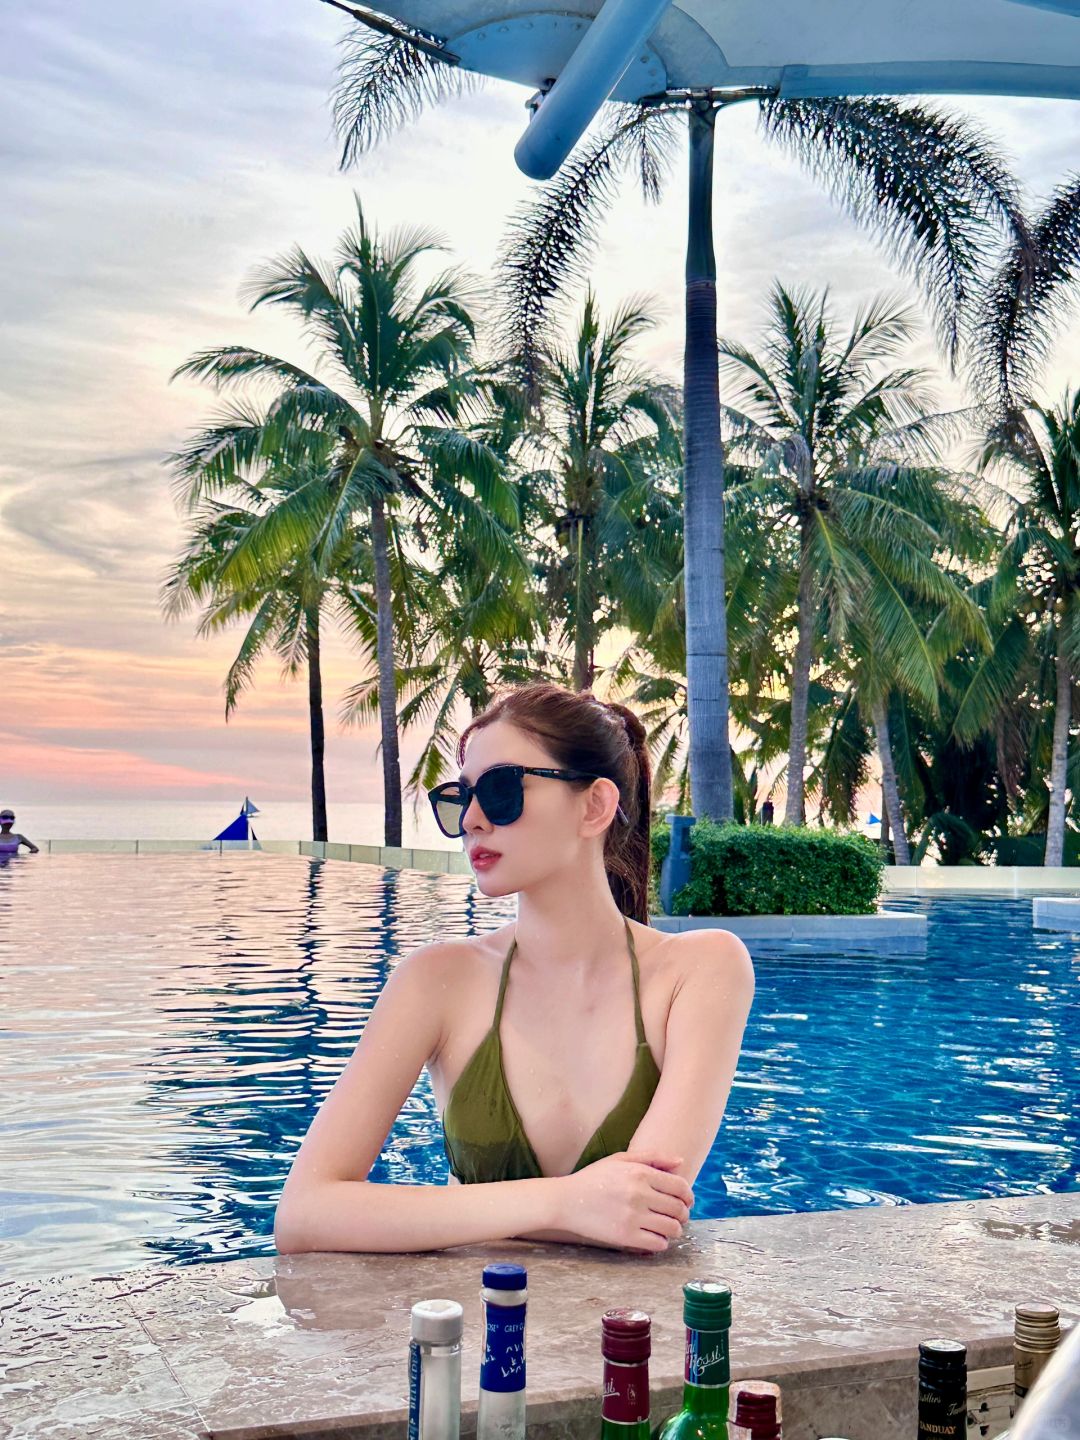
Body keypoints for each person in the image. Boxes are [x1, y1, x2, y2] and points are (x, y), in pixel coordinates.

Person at [275, 682, 754, 1256]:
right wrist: (562, 1202)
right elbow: (304, 1213)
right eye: (461, 796)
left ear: (595, 805)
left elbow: (644, 1209)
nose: (473, 818)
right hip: (472, 1329)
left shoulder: (700, 968)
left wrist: (437, 1212)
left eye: (501, 790)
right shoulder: (437, 981)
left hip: (625, 1336)